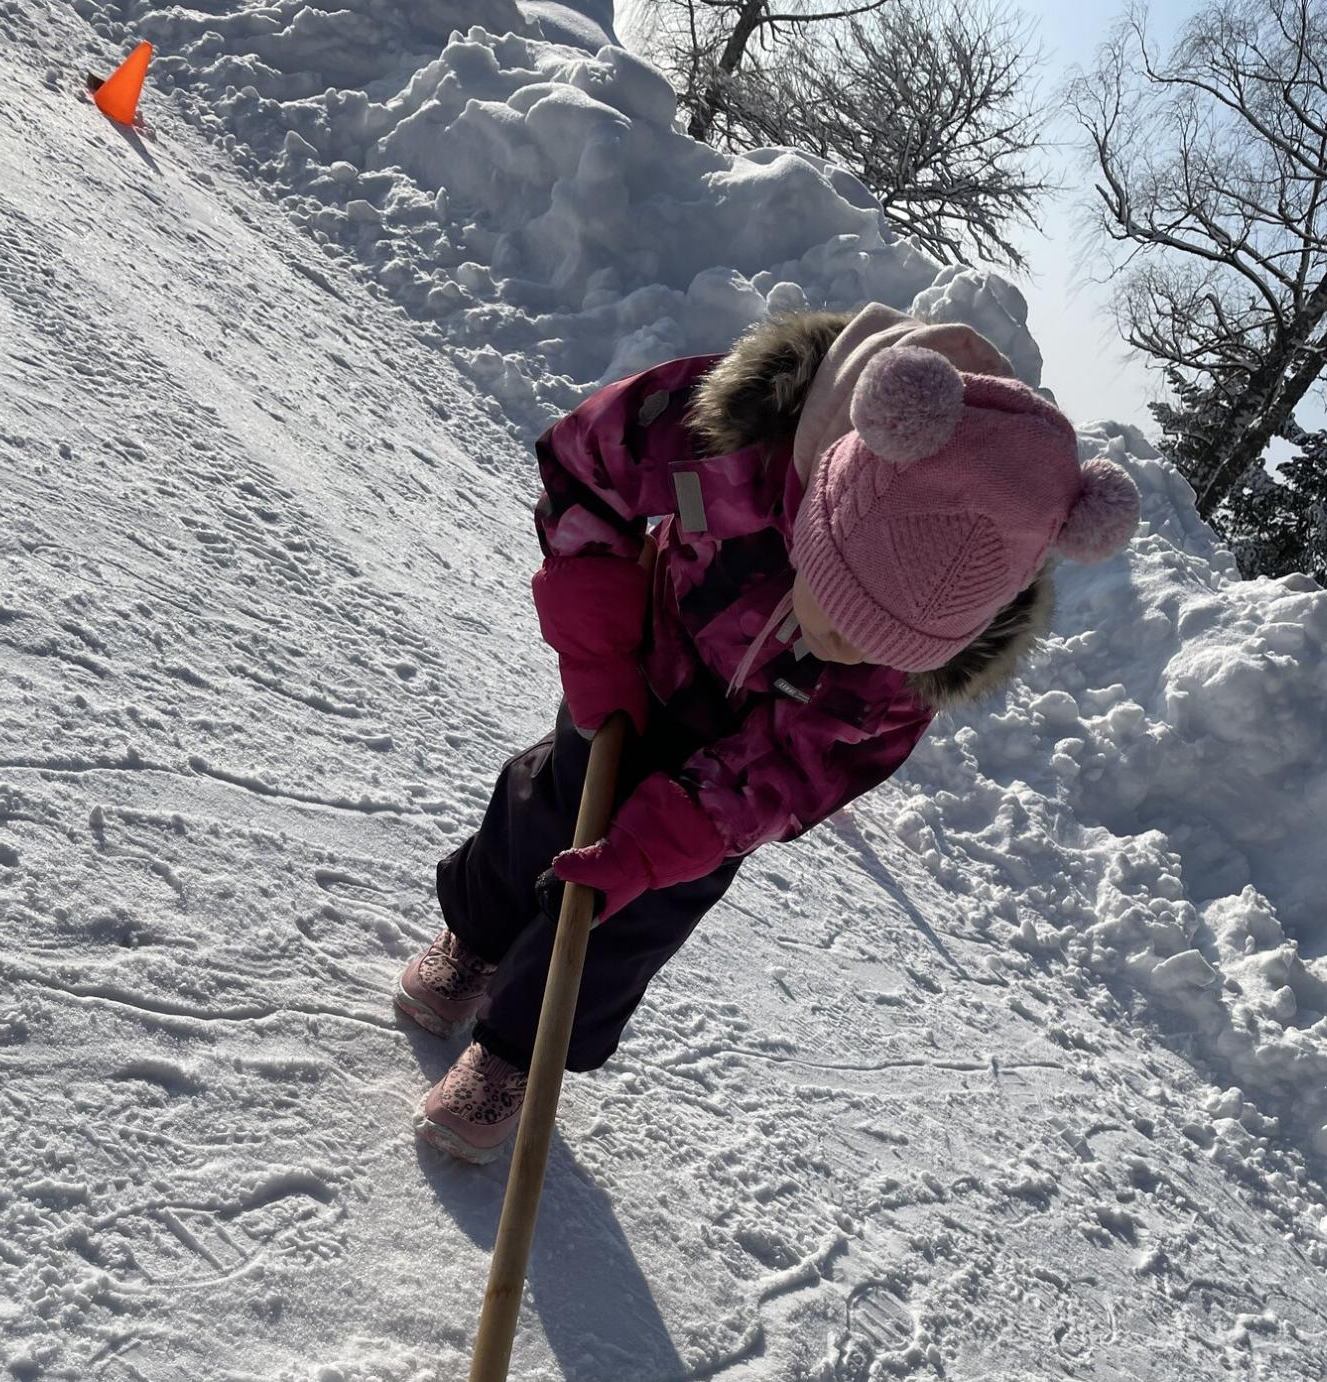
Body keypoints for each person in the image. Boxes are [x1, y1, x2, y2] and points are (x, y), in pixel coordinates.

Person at [396, 302, 1141, 1161]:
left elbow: (810, 760)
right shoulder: (733, 429)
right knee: (550, 804)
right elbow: (585, 463)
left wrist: (665, 841)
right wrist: (597, 641)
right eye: (840, 607)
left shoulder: (927, 656)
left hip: (746, 749)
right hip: (644, 655)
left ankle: (518, 1053)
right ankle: (477, 935)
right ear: (823, 504)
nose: (848, 652)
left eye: (882, 647)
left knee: (646, 901)